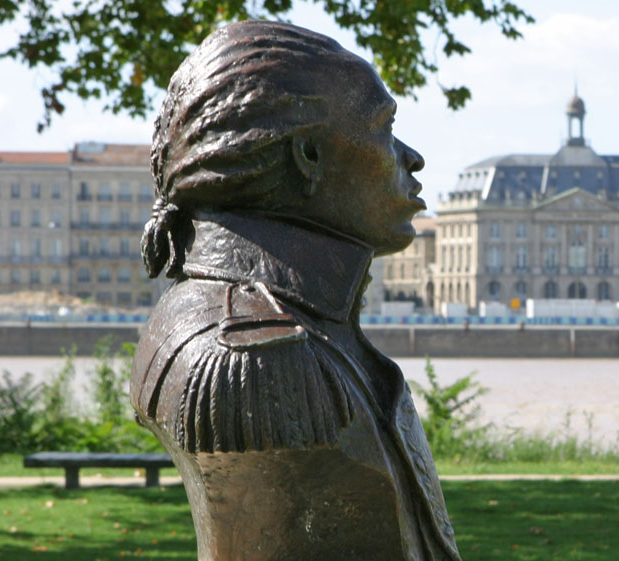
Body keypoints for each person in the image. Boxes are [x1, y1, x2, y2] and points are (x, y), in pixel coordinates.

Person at [131, 20, 460, 561]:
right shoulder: (250, 357)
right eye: (384, 127)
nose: (412, 158)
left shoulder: (306, 325)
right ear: (308, 156)